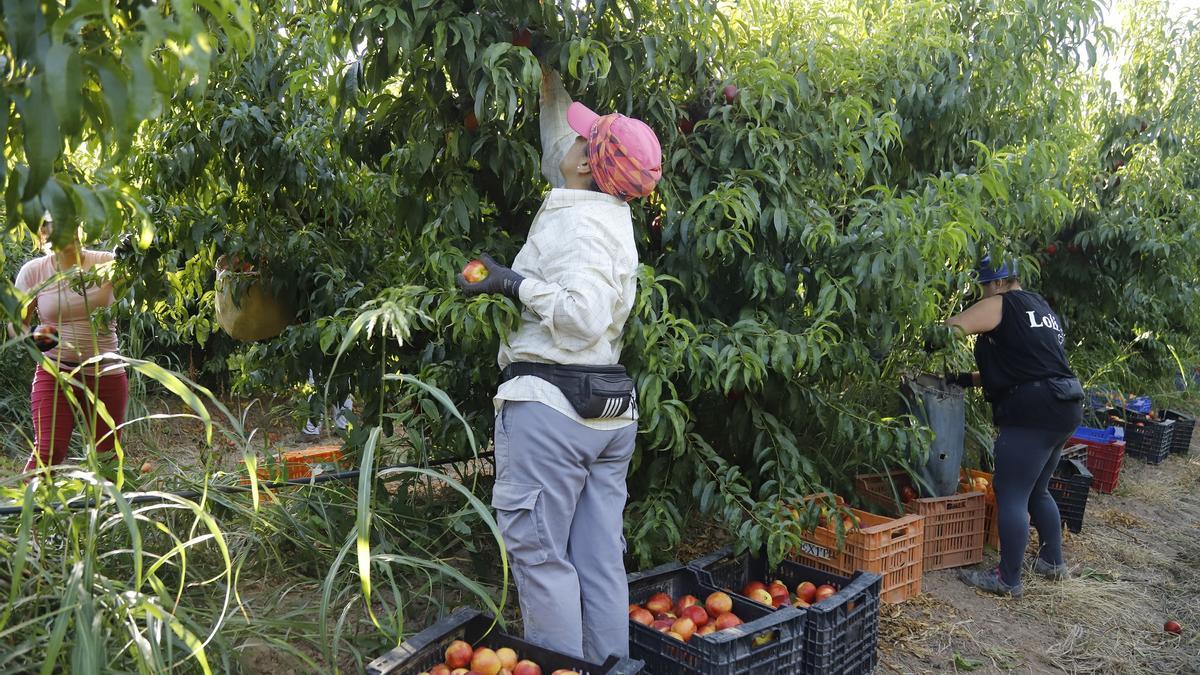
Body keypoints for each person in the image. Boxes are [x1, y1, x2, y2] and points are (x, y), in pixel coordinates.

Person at [456, 65, 661, 662]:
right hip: (606, 413)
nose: (567, 141)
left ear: (583, 165)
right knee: (598, 562)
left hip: (554, 411)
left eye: (579, 139)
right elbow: (560, 139)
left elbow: (582, 315)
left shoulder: (577, 222)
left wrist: (510, 282)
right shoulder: (612, 217)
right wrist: (550, 83)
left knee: (542, 561)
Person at [937, 256, 1084, 596]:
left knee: (1011, 492)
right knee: (1037, 490)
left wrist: (931, 339)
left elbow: (948, 329)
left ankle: (1007, 579)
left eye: (985, 287)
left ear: (999, 283)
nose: (984, 295)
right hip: (1065, 403)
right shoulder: (1040, 307)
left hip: (1033, 409)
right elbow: (1028, 365)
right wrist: (965, 379)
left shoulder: (1002, 303)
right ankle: (1051, 561)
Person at [12, 216, 131, 473]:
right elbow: (14, 324)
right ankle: (30, 511)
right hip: (55, 371)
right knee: (48, 452)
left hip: (106, 371)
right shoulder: (34, 272)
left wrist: (134, 258)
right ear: (45, 236)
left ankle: (104, 511)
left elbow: (139, 291)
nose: (72, 239)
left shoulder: (106, 263)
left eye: (74, 232)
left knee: (108, 456)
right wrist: (37, 336)